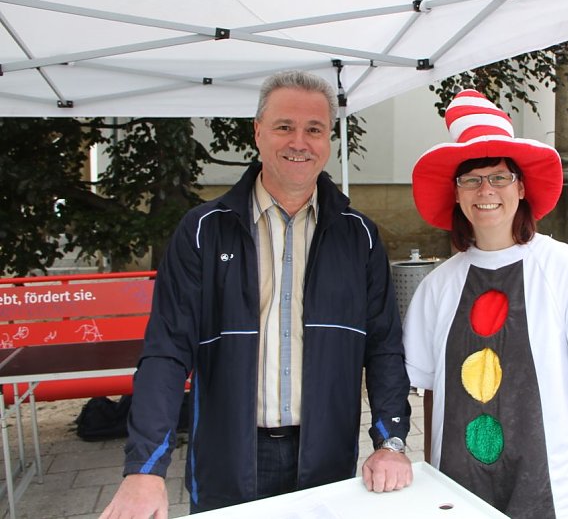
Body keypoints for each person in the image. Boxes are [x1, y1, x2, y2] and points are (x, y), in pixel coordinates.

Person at [100, 70, 412, 518]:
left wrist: (392, 441)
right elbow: (166, 351)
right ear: (258, 132)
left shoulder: (358, 236)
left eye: (314, 129)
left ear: (329, 140)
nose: (299, 142)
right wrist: (145, 468)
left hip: (327, 451)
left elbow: (383, 348)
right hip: (228, 454)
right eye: (285, 126)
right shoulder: (203, 231)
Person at [403, 89, 568, 518]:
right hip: (462, 489)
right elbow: (433, 392)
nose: (486, 190)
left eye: (499, 177)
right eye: (472, 179)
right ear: (457, 193)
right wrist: (432, 473)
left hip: (557, 490)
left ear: (521, 187)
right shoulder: (437, 287)